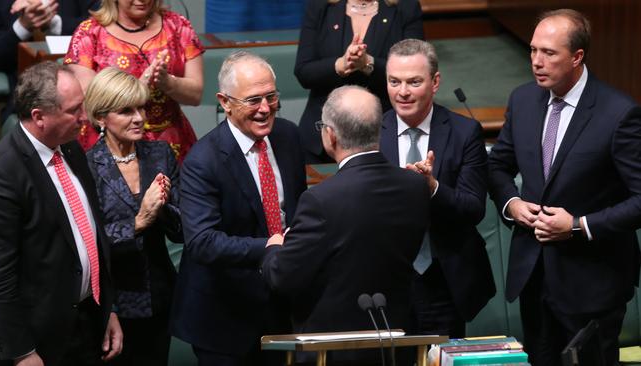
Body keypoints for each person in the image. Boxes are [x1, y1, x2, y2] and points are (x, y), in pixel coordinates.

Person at [487, 9, 641, 365]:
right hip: (534, 279)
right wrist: (511, 203)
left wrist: (577, 225)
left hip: (592, 285)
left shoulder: (619, 113)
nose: (536, 62)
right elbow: (497, 166)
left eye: (549, 53)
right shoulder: (523, 100)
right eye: (532, 50)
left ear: (577, 57)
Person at [262, 85, 430, 364]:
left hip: (333, 351)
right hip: (395, 344)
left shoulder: (320, 200)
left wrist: (274, 248)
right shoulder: (415, 186)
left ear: (330, 135)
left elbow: (282, 276)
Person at [170, 50, 307, 366]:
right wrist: (269, 246)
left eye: (271, 97)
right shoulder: (202, 162)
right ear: (225, 102)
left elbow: (296, 208)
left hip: (282, 307)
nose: (264, 109)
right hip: (224, 317)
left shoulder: (287, 136)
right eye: (253, 100)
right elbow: (202, 242)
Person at [0, 61, 122, 365]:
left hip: (87, 324)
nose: (84, 118)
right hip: (38, 340)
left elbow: (93, 234)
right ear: (39, 117)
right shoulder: (2, 172)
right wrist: (21, 352)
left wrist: (107, 309)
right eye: (74, 110)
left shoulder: (71, 148)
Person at [379, 39, 495, 338]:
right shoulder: (372, 132)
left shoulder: (464, 132)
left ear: (435, 82)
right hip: (387, 281)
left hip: (444, 279)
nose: (402, 92)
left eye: (414, 82)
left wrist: (432, 187)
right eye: (394, 82)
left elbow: (473, 209)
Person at [84, 67, 182, 366]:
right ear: (101, 118)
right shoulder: (86, 167)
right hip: (115, 304)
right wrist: (139, 221)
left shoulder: (159, 154)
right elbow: (89, 243)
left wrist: (162, 208)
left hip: (161, 297)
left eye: (141, 107)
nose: (139, 117)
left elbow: (181, 231)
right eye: (126, 110)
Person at [65, 0, 204, 162]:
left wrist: (168, 83)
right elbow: (88, 101)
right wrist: (141, 86)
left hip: (170, 143)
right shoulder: (89, 32)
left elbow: (196, 95)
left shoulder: (178, 26)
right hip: (111, 146)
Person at [295, 0, 423, 163]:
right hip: (323, 137)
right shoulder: (321, 5)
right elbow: (303, 71)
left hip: (382, 132)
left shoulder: (405, 7)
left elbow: (415, 69)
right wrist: (339, 65)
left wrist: (369, 64)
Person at [0, 0, 99, 124]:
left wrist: (53, 23)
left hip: (85, 93)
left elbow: (105, 23)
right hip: (25, 96)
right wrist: (22, 27)